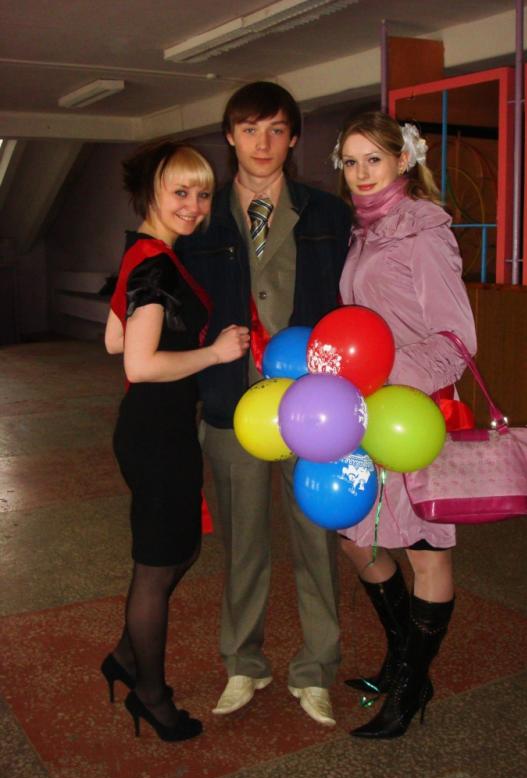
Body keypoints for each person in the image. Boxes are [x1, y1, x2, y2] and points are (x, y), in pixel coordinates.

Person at [176, 82, 352, 727]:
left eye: (276, 129)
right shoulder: (202, 220)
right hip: (232, 402)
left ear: (294, 137)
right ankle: (243, 663)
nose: (262, 143)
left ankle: (317, 669)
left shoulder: (328, 214)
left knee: (316, 541)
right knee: (243, 544)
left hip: (314, 405)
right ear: (230, 136)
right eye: (249, 129)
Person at [331, 110, 477, 739]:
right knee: (355, 537)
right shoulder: (365, 230)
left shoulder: (423, 230)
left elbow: (457, 339)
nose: (362, 173)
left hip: (415, 411)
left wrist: (385, 374)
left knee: (424, 554)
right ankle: (402, 659)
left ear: (403, 160)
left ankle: (411, 688)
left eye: (374, 159)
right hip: (369, 410)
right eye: (351, 161)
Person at [102, 140, 250, 742]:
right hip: (157, 431)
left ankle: (125, 657)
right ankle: (151, 696)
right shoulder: (155, 263)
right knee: (158, 566)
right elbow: (137, 363)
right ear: (151, 194)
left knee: (176, 551)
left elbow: (114, 338)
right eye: (180, 192)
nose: (194, 205)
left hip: (156, 427)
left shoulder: (145, 253)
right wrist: (214, 352)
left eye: (203, 193)